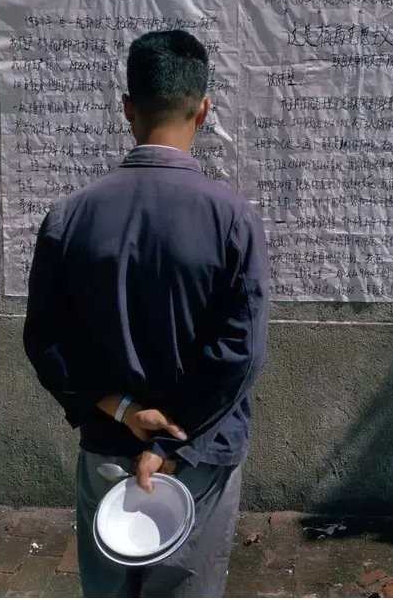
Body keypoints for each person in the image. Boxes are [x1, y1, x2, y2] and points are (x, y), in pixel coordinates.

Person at [23, 29, 269, 598]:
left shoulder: (70, 217)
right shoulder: (232, 220)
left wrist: (127, 410)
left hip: (110, 447)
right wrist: (169, 445)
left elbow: (45, 341)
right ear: (204, 110)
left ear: (128, 109)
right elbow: (241, 354)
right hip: (197, 457)